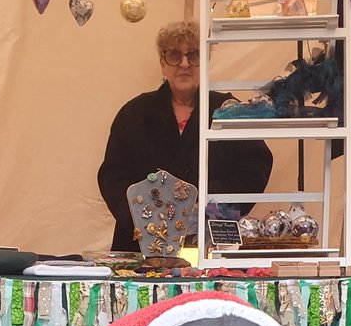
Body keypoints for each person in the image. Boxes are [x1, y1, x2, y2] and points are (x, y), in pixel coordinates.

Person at [97, 20, 273, 251]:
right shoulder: (134, 113)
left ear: (206, 60)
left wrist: (205, 203)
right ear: (162, 63)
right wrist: (143, 209)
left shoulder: (229, 110)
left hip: (209, 240)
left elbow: (254, 168)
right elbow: (112, 174)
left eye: (194, 55)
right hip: (141, 245)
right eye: (174, 55)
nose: (184, 63)